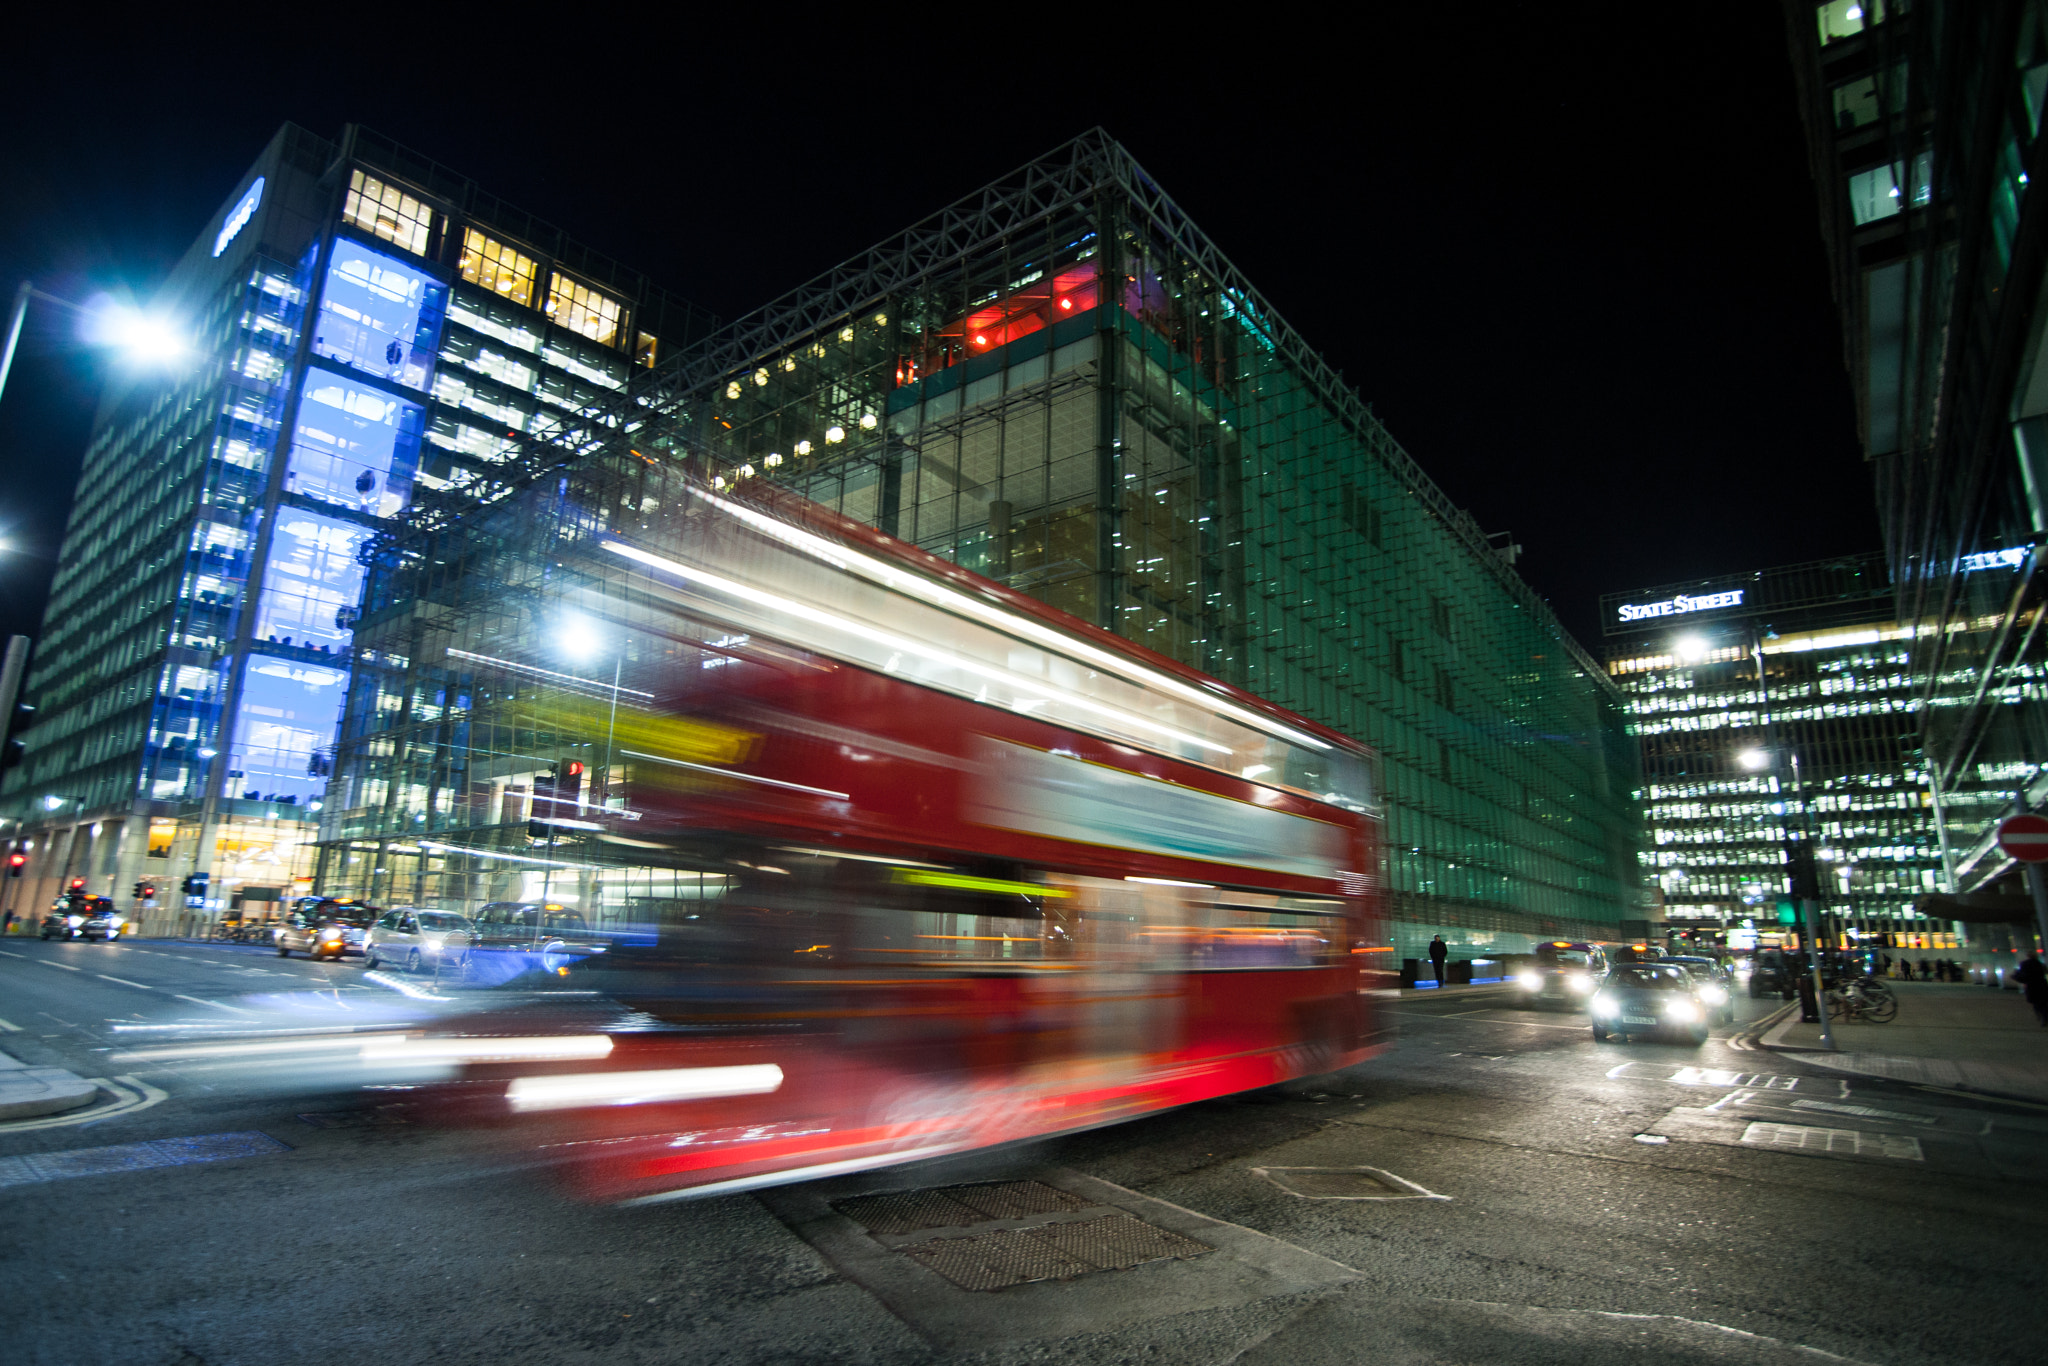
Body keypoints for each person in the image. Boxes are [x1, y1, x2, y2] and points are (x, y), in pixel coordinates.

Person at [2013, 952, 2048, 1026]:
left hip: (2031, 985)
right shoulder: (2040, 964)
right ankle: (2044, 1017)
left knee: (2036, 1002)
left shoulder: (2024, 964)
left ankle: (2040, 1015)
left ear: (2028, 956)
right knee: (2043, 1002)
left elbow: (2021, 974)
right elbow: (2045, 972)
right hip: (2042, 985)